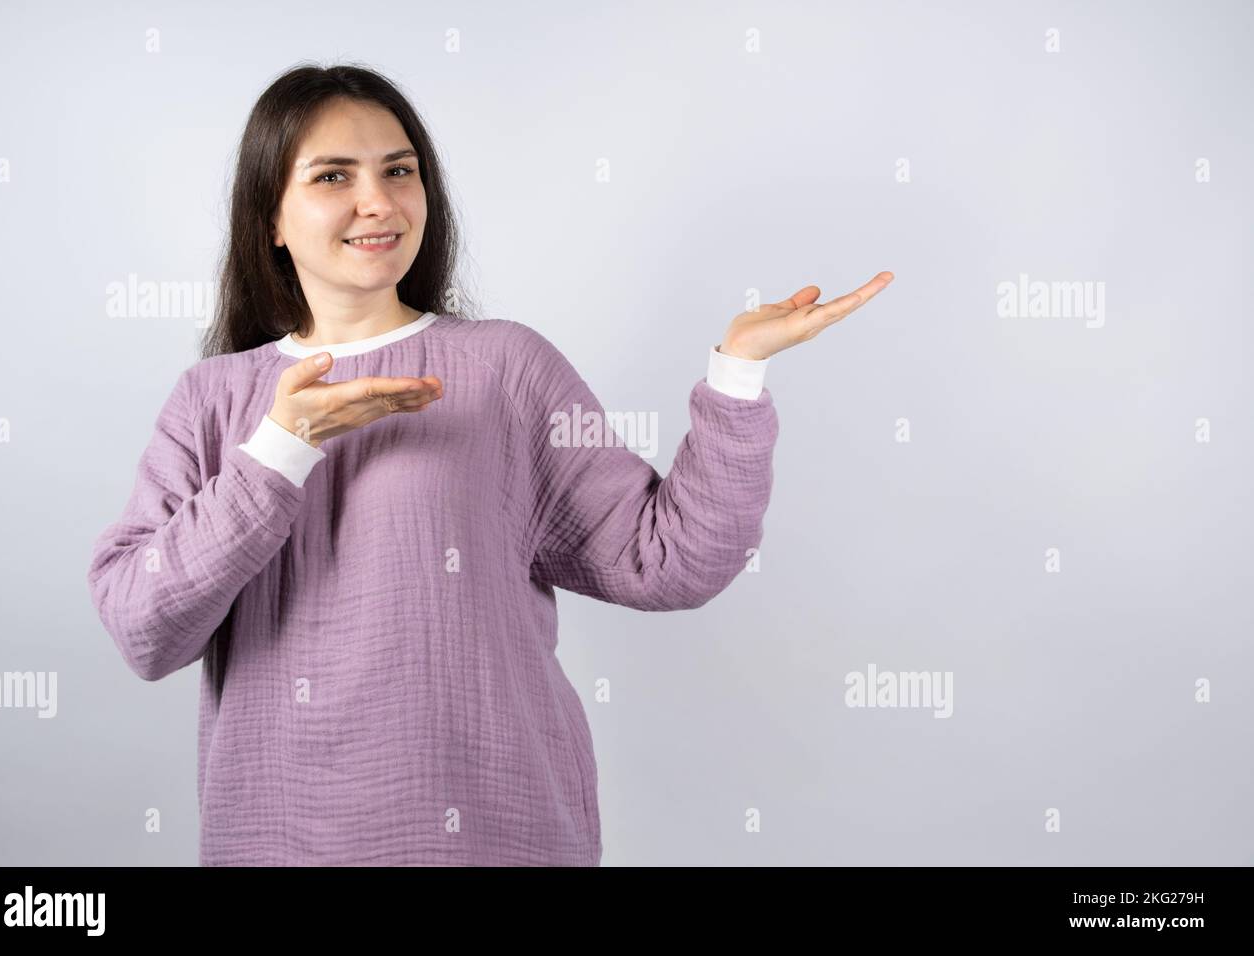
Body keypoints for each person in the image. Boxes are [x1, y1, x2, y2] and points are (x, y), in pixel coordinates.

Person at [86, 62, 893, 866]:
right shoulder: (213, 399)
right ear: (271, 216)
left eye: (398, 171)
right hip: (277, 842)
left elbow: (669, 561)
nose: (378, 201)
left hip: (492, 837)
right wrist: (278, 449)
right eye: (335, 175)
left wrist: (737, 373)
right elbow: (143, 629)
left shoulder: (508, 368)